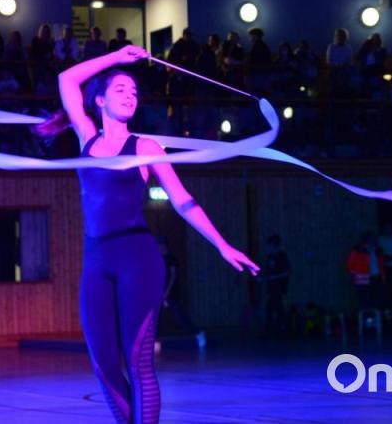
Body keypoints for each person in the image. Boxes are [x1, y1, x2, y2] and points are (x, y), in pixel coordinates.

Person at [34, 44, 259, 423]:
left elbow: (183, 200)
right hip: (96, 262)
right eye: (120, 89)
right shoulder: (85, 137)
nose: (130, 95)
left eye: (135, 92)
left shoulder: (145, 147)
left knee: (138, 363)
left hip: (137, 259)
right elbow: (66, 79)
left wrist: (221, 244)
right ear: (100, 100)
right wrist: (116, 58)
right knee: (104, 364)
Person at [260, 234, 291, 337]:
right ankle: (272, 331)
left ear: (274, 245)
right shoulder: (270, 257)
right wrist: (263, 278)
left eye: (269, 245)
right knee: (270, 309)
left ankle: (282, 331)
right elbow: (269, 272)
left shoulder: (282, 256)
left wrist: (275, 277)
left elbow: (287, 272)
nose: (267, 248)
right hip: (271, 288)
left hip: (280, 288)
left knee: (279, 309)